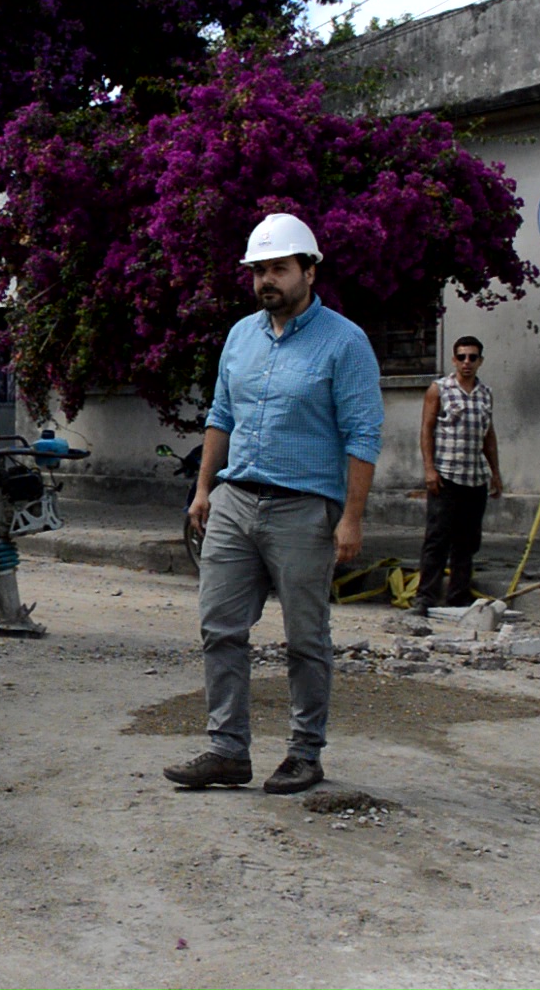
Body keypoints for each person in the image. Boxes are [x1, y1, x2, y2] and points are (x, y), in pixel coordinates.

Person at [163, 213, 384, 796]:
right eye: (259, 270)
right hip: (235, 501)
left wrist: (353, 518)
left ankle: (305, 752)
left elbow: (362, 435)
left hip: (303, 509)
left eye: (279, 268)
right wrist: (205, 489)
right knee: (220, 628)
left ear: (309, 270)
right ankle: (227, 750)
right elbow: (220, 417)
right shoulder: (240, 335)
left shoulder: (345, 342)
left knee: (306, 638)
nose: (267, 280)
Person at [413, 336, 502, 613]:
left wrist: (495, 472)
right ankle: (425, 597)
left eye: (472, 357)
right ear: (454, 360)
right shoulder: (439, 389)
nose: (467, 362)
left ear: (480, 361)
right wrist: (429, 468)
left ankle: (458, 595)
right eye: (462, 357)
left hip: (474, 477)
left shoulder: (485, 393)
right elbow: (426, 429)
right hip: (446, 476)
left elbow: (488, 435)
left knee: (467, 541)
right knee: (437, 539)